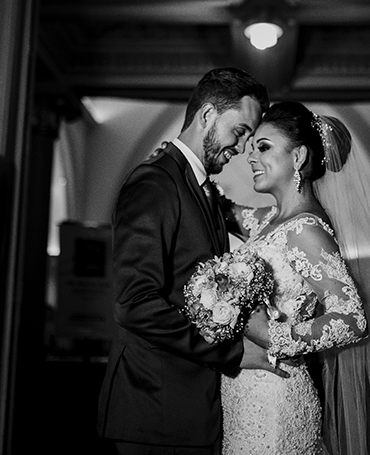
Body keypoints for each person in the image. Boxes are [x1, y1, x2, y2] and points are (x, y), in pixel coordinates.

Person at [223, 101, 370, 455]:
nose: (250, 157)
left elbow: (351, 320)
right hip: (243, 394)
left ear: (299, 156)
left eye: (264, 147)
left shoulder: (306, 229)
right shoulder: (268, 221)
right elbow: (220, 209)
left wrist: (272, 336)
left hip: (274, 400)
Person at [96, 67, 276, 455]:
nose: (242, 147)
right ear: (208, 115)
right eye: (241, 131)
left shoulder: (204, 190)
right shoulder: (154, 184)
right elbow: (135, 305)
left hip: (192, 411)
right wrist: (233, 354)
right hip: (155, 410)